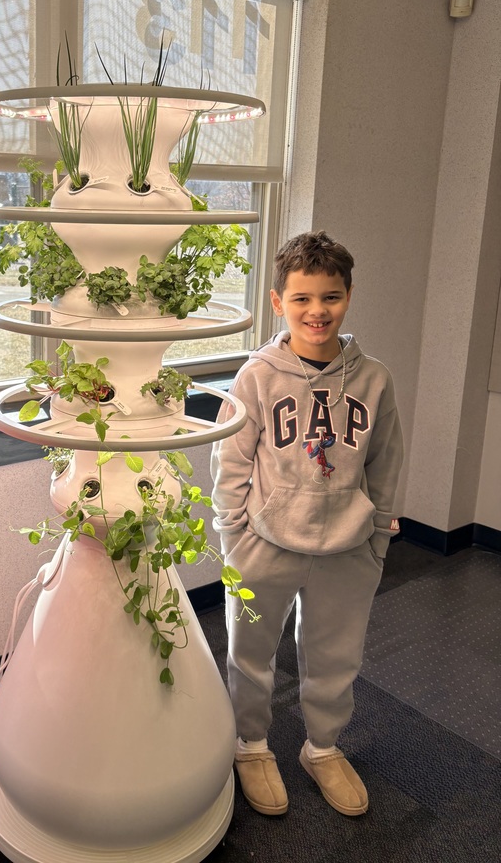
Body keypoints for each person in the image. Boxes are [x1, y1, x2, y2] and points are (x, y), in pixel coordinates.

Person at [211, 231, 403, 817]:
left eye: (331, 297)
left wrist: (378, 533)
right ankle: (252, 745)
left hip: (347, 545)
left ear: (348, 297)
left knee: (335, 655)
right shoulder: (256, 377)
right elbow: (230, 461)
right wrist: (233, 535)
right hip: (263, 544)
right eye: (301, 299)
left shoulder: (374, 379)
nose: (317, 311)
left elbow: (387, 460)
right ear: (278, 302)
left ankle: (322, 749)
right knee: (250, 651)